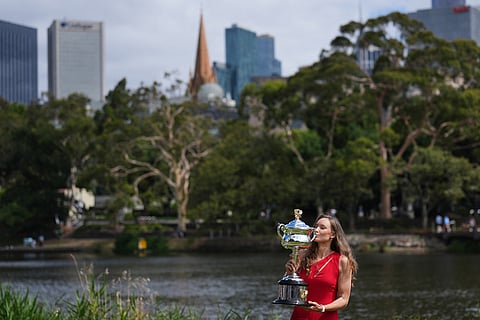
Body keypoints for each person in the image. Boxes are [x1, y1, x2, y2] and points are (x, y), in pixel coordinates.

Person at [285, 214, 358, 320]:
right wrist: (289, 273)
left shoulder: (342, 261)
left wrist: (323, 308)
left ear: (332, 234)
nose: (316, 230)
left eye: (322, 227)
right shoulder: (301, 255)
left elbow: (343, 299)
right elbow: (289, 291)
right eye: (316, 226)